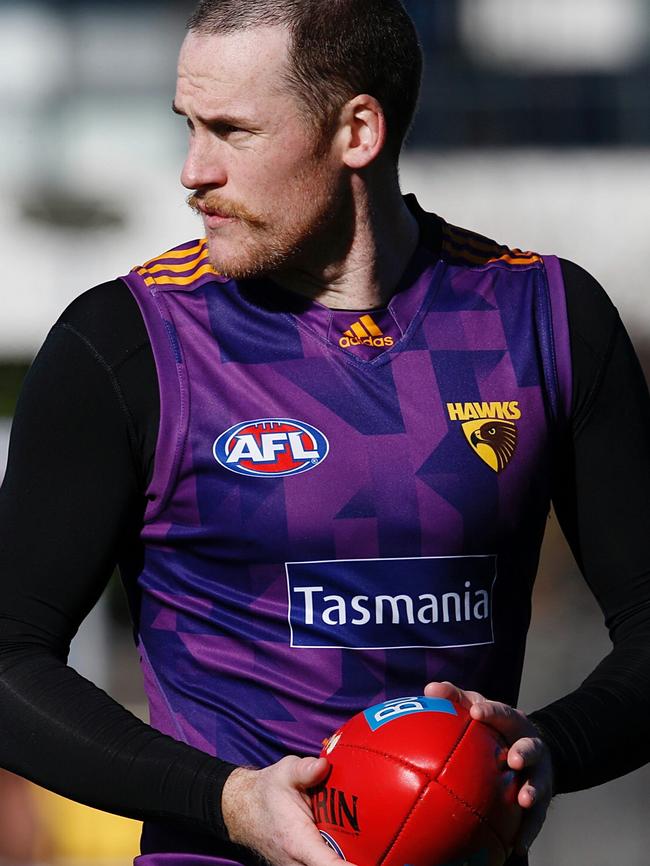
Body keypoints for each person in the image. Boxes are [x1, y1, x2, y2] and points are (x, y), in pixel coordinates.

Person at [1, 1, 649, 865]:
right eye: (188, 127)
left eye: (232, 131)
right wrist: (227, 800)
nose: (193, 171)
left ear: (358, 131)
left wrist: (548, 750)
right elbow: (6, 663)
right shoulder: (127, 344)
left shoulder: (546, 320)